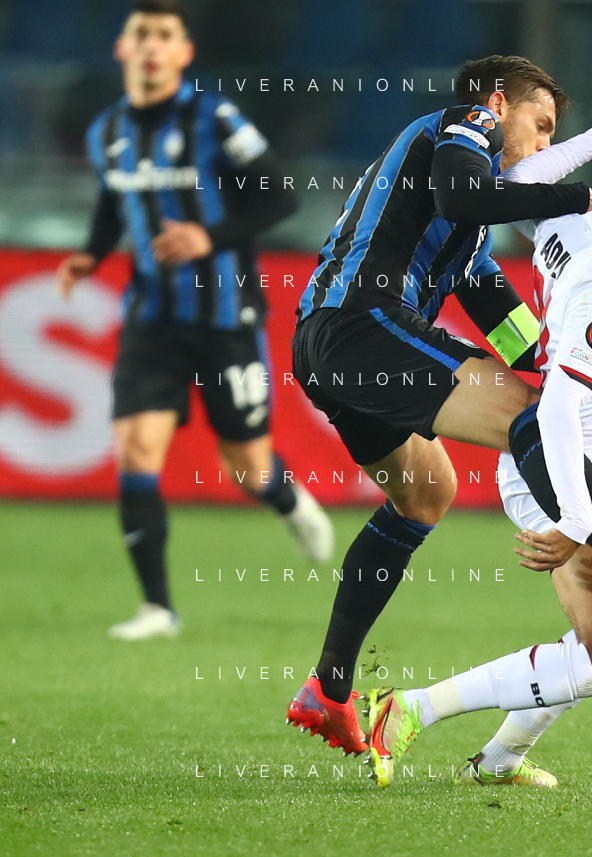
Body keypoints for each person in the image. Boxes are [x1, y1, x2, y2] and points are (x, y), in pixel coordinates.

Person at [285, 56, 592, 757]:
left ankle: (329, 689)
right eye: (541, 125)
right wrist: (577, 196)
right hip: (360, 322)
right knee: (528, 417)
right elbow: (463, 198)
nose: (542, 144)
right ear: (500, 105)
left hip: (331, 346)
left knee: (425, 494)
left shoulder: (468, 231)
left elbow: (519, 335)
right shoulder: (462, 125)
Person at [55, 0, 333, 642]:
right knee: (136, 448)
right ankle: (158, 608)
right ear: (123, 48)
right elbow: (113, 203)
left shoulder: (215, 118)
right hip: (150, 319)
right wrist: (91, 254)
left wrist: (209, 237)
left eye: (165, 36)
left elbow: (280, 196)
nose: (152, 46)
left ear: (184, 53)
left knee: (247, 467)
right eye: (141, 34)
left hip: (222, 316)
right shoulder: (107, 130)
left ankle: (287, 499)